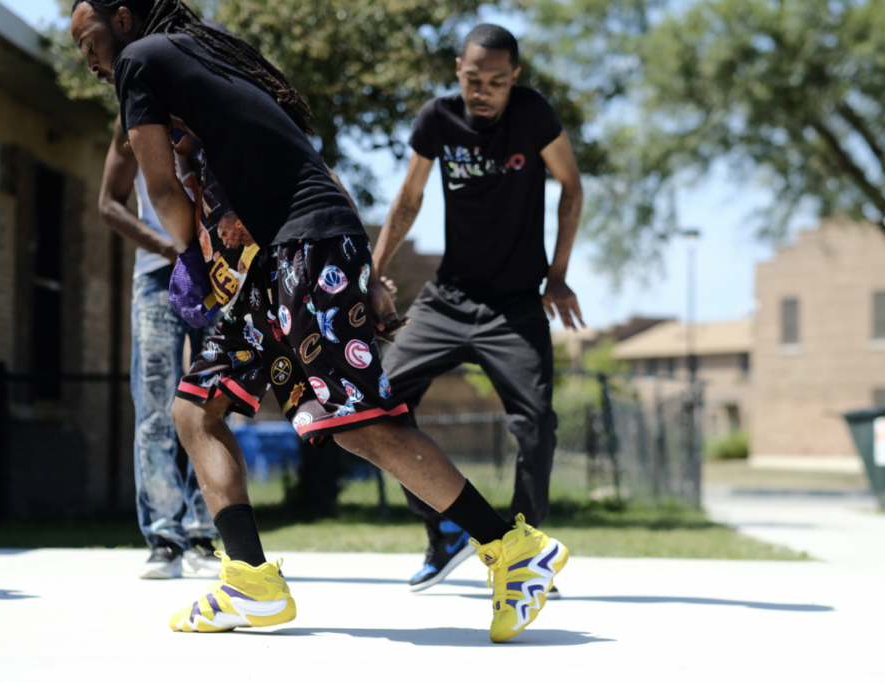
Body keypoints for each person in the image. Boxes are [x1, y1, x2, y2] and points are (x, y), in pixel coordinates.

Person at [69, 0, 569, 643]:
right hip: (283, 258)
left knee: (361, 425)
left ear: (124, 16)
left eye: (89, 41)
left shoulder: (141, 61)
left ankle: (513, 549)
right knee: (196, 409)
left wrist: (193, 261)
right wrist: (358, 269)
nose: (87, 59)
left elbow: (162, 188)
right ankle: (249, 582)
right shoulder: (210, 60)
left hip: (302, 251)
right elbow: (313, 163)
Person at [373, 24, 585, 593]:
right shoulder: (437, 119)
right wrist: (372, 274)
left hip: (514, 305)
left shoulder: (534, 115)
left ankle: (521, 549)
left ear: (514, 78)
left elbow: (571, 184)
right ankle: (443, 533)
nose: (482, 91)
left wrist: (557, 275)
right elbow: (410, 197)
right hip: (448, 297)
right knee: (376, 403)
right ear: (458, 72)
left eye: (496, 81)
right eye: (472, 79)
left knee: (537, 424)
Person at [100, 115, 221, 579]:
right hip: (156, 276)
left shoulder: (216, 110)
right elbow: (109, 204)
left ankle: (204, 536)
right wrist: (171, 249)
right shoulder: (132, 118)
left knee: (212, 404)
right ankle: (165, 537)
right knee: (154, 407)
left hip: (220, 274)